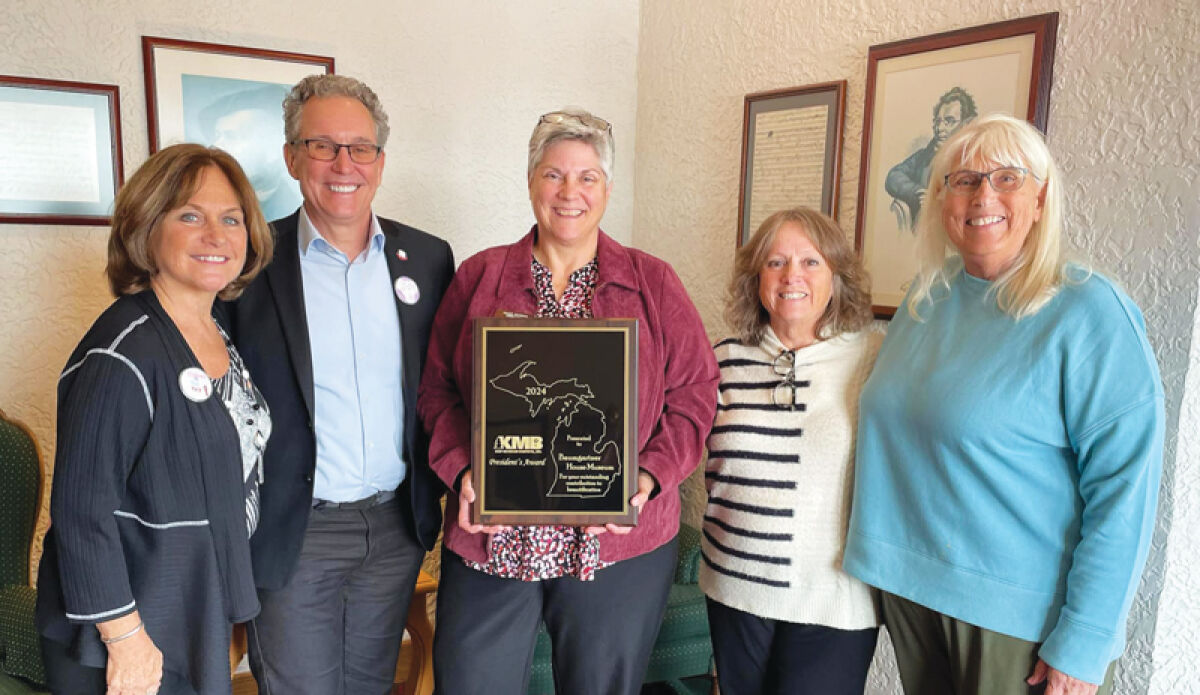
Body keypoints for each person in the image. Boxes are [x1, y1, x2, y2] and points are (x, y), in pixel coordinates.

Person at [845, 114, 1164, 695]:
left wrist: (1085, 641)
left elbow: (1125, 493)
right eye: (962, 180)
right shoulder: (927, 297)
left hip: (1019, 622)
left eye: (1007, 178)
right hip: (912, 594)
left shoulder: (1089, 312)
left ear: (1041, 199)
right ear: (941, 200)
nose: (982, 195)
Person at [418, 107, 719, 695]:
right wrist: (462, 469)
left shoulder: (653, 282)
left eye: (587, 177)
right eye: (554, 174)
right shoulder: (480, 277)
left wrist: (650, 476)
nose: (569, 192)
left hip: (616, 542)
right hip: (493, 536)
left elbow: (695, 394)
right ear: (531, 182)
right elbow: (436, 392)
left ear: (607, 189)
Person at [222, 74, 454, 695]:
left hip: (394, 528)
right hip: (296, 530)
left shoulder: (429, 260)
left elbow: (443, 390)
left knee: (372, 683)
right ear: (293, 157)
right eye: (323, 146)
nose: (343, 164)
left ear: (380, 160)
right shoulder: (248, 264)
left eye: (361, 148)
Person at [36, 143, 274, 695]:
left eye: (231, 219)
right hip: (129, 626)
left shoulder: (212, 331)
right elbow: (80, 512)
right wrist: (126, 640)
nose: (216, 235)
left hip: (187, 607)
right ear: (147, 227)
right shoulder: (122, 353)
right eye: (190, 215)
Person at [701, 207, 882, 695]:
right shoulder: (723, 361)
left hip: (833, 599)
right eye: (776, 262)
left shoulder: (873, 359)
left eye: (810, 262)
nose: (791, 276)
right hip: (734, 590)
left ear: (837, 276)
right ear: (755, 277)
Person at [884, 86, 977, 229]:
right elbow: (893, 176)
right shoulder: (924, 155)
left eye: (949, 121)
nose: (939, 128)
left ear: (966, 125)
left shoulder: (977, 161)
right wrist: (916, 192)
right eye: (937, 121)